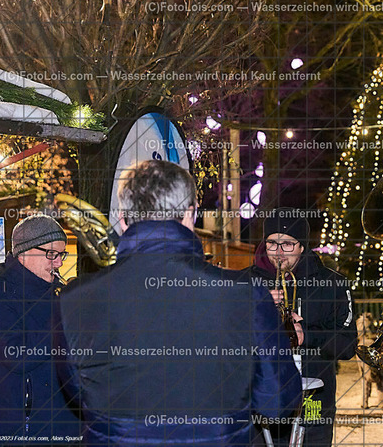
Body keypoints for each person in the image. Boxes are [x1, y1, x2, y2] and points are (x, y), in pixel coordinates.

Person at [56, 160, 302, 445]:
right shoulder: (246, 295)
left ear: (122, 218)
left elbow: (77, 393)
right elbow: (278, 402)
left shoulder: (73, 300)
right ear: (190, 214)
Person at [243, 208, 357, 446]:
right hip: (259, 403)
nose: (278, 252)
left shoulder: (333, 284)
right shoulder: (244, 282)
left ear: (302, 246)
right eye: (272, 243)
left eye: (287, 244)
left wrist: (307, 335)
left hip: (313, 404)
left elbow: (347, 345)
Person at [0, 214, 81, 442]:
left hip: (66, 425)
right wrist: (67, 317)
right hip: (21, 430)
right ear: (25, 252)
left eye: (61, 255)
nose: (59, 263)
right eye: (52, 254)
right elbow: (18, 356)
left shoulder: (57, 291)